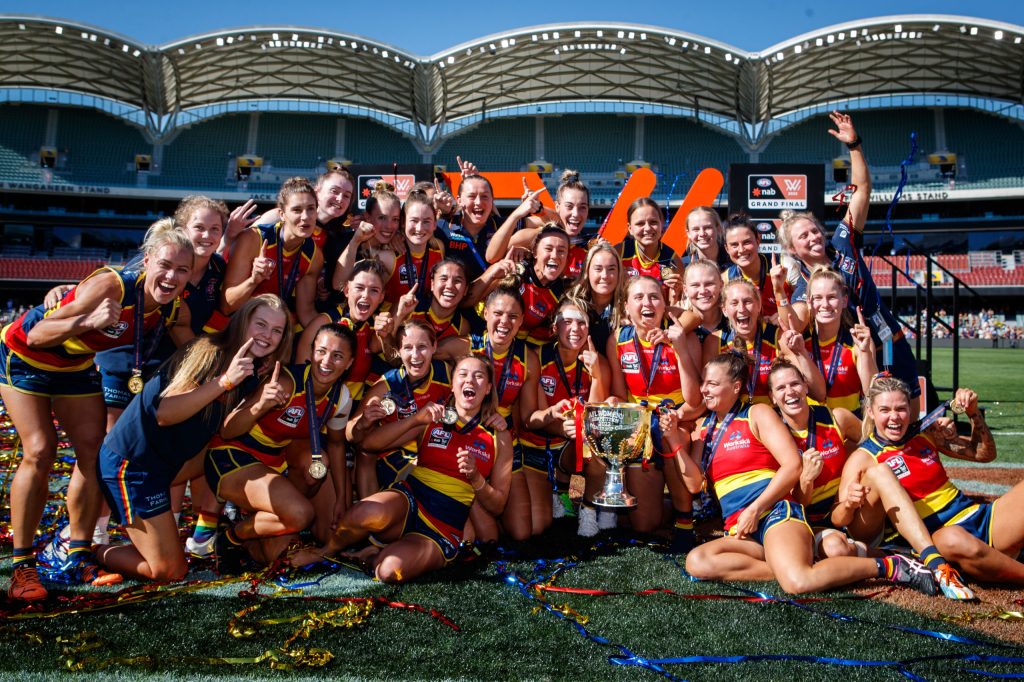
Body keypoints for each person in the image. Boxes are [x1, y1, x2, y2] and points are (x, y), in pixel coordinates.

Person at [2, 219, 194, 599]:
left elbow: (194, 350)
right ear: (147, 259)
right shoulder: (112, 284)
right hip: (24, 358)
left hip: (74, 368)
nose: (172, 276)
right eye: (166, 265)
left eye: (182, 270)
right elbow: (37, 335)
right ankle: (23, 567)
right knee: (40, 449)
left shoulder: (173, 310)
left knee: (95, 454)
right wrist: (88, 320)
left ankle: (75, 553)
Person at [683, 353, 938, 596]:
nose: (703, 389)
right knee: (697, 561)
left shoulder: (762, 414)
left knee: (802, 578)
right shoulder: (704, 429)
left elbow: (873, 439)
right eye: (781, 388)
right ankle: (788, 564)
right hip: (746, 527)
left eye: (712, 383)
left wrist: (756, 508)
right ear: (772, 396)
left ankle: (891, 566)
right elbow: (694, 483)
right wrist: (674, 442)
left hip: (793, 515)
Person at [93, 295, 291, 581]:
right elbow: (164, 413)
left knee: (221, 452)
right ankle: (92, 551)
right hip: (132, 466)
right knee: (169, 571)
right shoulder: (208, 350)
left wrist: (261, 405)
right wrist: (225, 382)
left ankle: (211, 524)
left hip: (160, 468)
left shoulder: (249, 370)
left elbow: (226, 431)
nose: (267, 335)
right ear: (242, 322)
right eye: (260, 324)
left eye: (276, 330)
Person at [289, 355, 513, 583]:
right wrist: (416, 420)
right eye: (463, 375)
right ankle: (326, 551)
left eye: (479, 376)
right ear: (453, 384)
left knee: (388, 572)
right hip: (410, 499)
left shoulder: (499, 435)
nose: (470, 381)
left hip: (444, 523)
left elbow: (498, 505)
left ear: (487, 388)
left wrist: (476, 479)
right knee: (363, 512)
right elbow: (369, 444)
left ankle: (380, 551)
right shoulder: (433, 416)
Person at [777, 111, 921, 413]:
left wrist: (854, 145)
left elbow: (862, 191)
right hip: (855, 355)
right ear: (792, 248)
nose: (814, 237)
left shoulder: (843, 241)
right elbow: (795, 323)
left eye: (815, 230)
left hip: (888, 340)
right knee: (874, 417)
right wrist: (780, 294)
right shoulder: (803, 286)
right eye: (803, 236)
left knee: (913, 412)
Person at [842, 376, 1024, 589]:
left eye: (901, 409)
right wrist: (850, 503)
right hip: (939, 538)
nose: (894, 417)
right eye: (885, 410)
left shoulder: (925, 434)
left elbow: (984, 454)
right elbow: (842, 519)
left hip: (979, 518)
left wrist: (973, 412)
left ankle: (998, 557)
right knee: (954, 539)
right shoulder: (863, 458)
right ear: (871, 412)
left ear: (910, 409)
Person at [205, 323, 353, 568]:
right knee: (302, 514)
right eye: (321, 351)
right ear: (311, 351)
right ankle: (231, 537)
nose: (327, 361)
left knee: (288, 551)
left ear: (349, 363)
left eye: (338, 356)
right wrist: (260, 405)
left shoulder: (342, 397)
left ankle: (256, 522)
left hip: (275, 463)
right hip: (233, 456)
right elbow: (227, 430)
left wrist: (341, 499)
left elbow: (336, 445)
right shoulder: (285, 381)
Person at [437, 285, 536, 541]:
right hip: (466, 439)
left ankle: (483, 507)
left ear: (522, 321)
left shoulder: (528, 358)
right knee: (487, 536)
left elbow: (526, 417)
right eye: (499, 313)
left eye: (513, 316)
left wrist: (555, 416)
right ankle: (469, 508)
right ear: (485, 314)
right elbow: (417, 355)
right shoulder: (463, 346)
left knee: (522, 533)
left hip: (502, 440)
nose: (505, 322)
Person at [607, 275, 702, 543]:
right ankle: (690, 508)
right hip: (640, 427)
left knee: (670, 435)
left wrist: (680, 347)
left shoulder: (684, 337)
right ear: (626, 307)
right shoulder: (618, 339)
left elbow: (694, 401)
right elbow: (617, 392)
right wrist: (614, 402)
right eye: (638, 297)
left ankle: (685, 522)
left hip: (678, 420)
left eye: (654, 297)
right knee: (645, 525)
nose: (647, 303)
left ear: (665, 306)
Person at [522, 297, 611, 536]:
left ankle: (589, 511)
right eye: (567, 322)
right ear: (554, 328)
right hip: (536, 445)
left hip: (571, 443)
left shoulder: (596, 360)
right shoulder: (536, 358)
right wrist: (564, 428)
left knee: (593, 451)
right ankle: (559, 489)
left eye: (581, 323)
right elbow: (532, 419)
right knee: (537, 527)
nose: (575, 329)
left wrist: (597, 376)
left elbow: (595, 413)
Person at [348, 320, 452, 497]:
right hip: (393, 457)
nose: (415, 355)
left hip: (433, 449)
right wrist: (363, 423)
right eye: (408, 348)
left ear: (434, 346)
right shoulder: (387, 384)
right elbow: (351, 435)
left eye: (422, 347)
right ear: (398, 350)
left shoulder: (446, 373)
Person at [222, 177, 323, 328]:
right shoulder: (253, 239)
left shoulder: (314, 256)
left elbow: (306, 313)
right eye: (297, 210)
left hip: (272, 324)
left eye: (311, 208)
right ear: (282, 214)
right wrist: (254, 280)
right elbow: (226, 305)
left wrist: (335, 331)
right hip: (238, 322)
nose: (305, 217)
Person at [704, 279, 824, 405]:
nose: (741, 309)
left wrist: (801, 353)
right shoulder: (715, 341)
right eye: (734, 303)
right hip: (734, 419)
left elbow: (819, 393)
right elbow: (706, 396)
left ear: (759, 305)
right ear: (724, 310)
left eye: (747, 301)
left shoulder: (779, 338)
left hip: (774, 416)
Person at [299, 259, 388, 403]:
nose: (366, 295)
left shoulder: (376, 327)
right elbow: (300, 374)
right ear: (347, 290)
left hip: (354, 408)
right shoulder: (324, 322)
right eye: (359, 288)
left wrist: (395, 322)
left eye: (374, 290)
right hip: (318, 403)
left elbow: (395, 360)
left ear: (381, 297)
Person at [486, 170, 591, 280]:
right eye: (569, 206)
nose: (576, 214)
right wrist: (522, 252)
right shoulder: (537, 236)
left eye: (582, 207)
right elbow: (492, 257)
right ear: (557, 207)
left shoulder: (591, 245)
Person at [804, 267, 877, 413]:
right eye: (818, 298)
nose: (825, 305)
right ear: (809, 302)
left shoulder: (858, 341)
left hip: (850, 426)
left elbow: (873, 393)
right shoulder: (801, 342)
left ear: (844, 301)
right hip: (813, 428)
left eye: (831, 297)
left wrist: (865, 352)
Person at [436, 158, 502, 281]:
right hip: (455, 297)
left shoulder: (502, 226)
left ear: (492, 200)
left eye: (484, 196)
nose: (478, 202)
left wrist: (538, 209)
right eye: (472, 196)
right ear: (459, 200)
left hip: (492, 299)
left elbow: (546, 223)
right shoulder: (442, 226)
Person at [721, 215, 792, 323]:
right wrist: (760, 321)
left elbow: (803, 314)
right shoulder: (725, 280)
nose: (741, 250)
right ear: (727, 248)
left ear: (758, 240)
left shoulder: (785, 265)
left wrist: (783, 315)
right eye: (734, 245)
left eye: (747, 242)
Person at [381, 190, 445, 310]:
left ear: (435, 224)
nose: (419, 228)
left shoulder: (439, 248)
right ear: (403, 222)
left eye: (426, 221)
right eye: (414, 221)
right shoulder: (388, 255)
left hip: (426, 325)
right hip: (397, 325)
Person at [618, 198, 684, 303]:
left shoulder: (673, 260)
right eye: (640, 223)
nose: (648, 228)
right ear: (630, 228)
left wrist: (677, 293)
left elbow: (676, 305)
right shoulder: (618, 253)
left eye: (653, 222)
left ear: (661, 224)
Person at [515, 224, 570, 345]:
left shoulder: (562, 293)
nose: (554, 256)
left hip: (523, 352)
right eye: (548, 249)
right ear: (534, 252)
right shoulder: (515, 271)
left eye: (561, 251)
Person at [567, 240, 624, 355]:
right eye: (598, 269)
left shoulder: (627, 308)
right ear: (587, 271)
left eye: (611, 269)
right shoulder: (572, 305)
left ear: (619, 272)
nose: (605, 276)